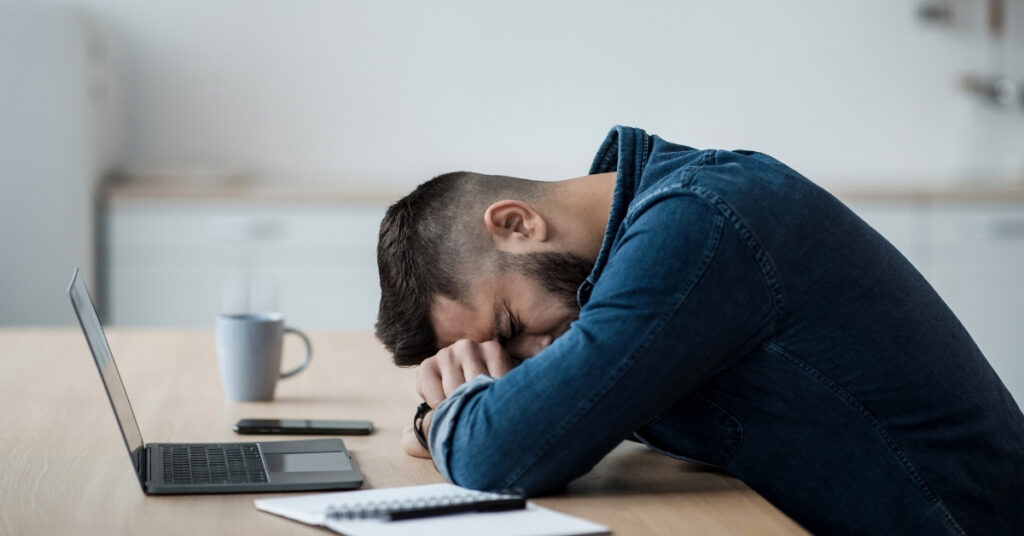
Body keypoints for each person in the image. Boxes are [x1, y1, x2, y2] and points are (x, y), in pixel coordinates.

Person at [374, 125, 1024, 535]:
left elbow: (503, 455)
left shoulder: (698, 225)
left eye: (511, 325)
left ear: (517, 225)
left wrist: (448, 418)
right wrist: (479, 406)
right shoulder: (650, 226)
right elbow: (557, 413)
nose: (529, 355)